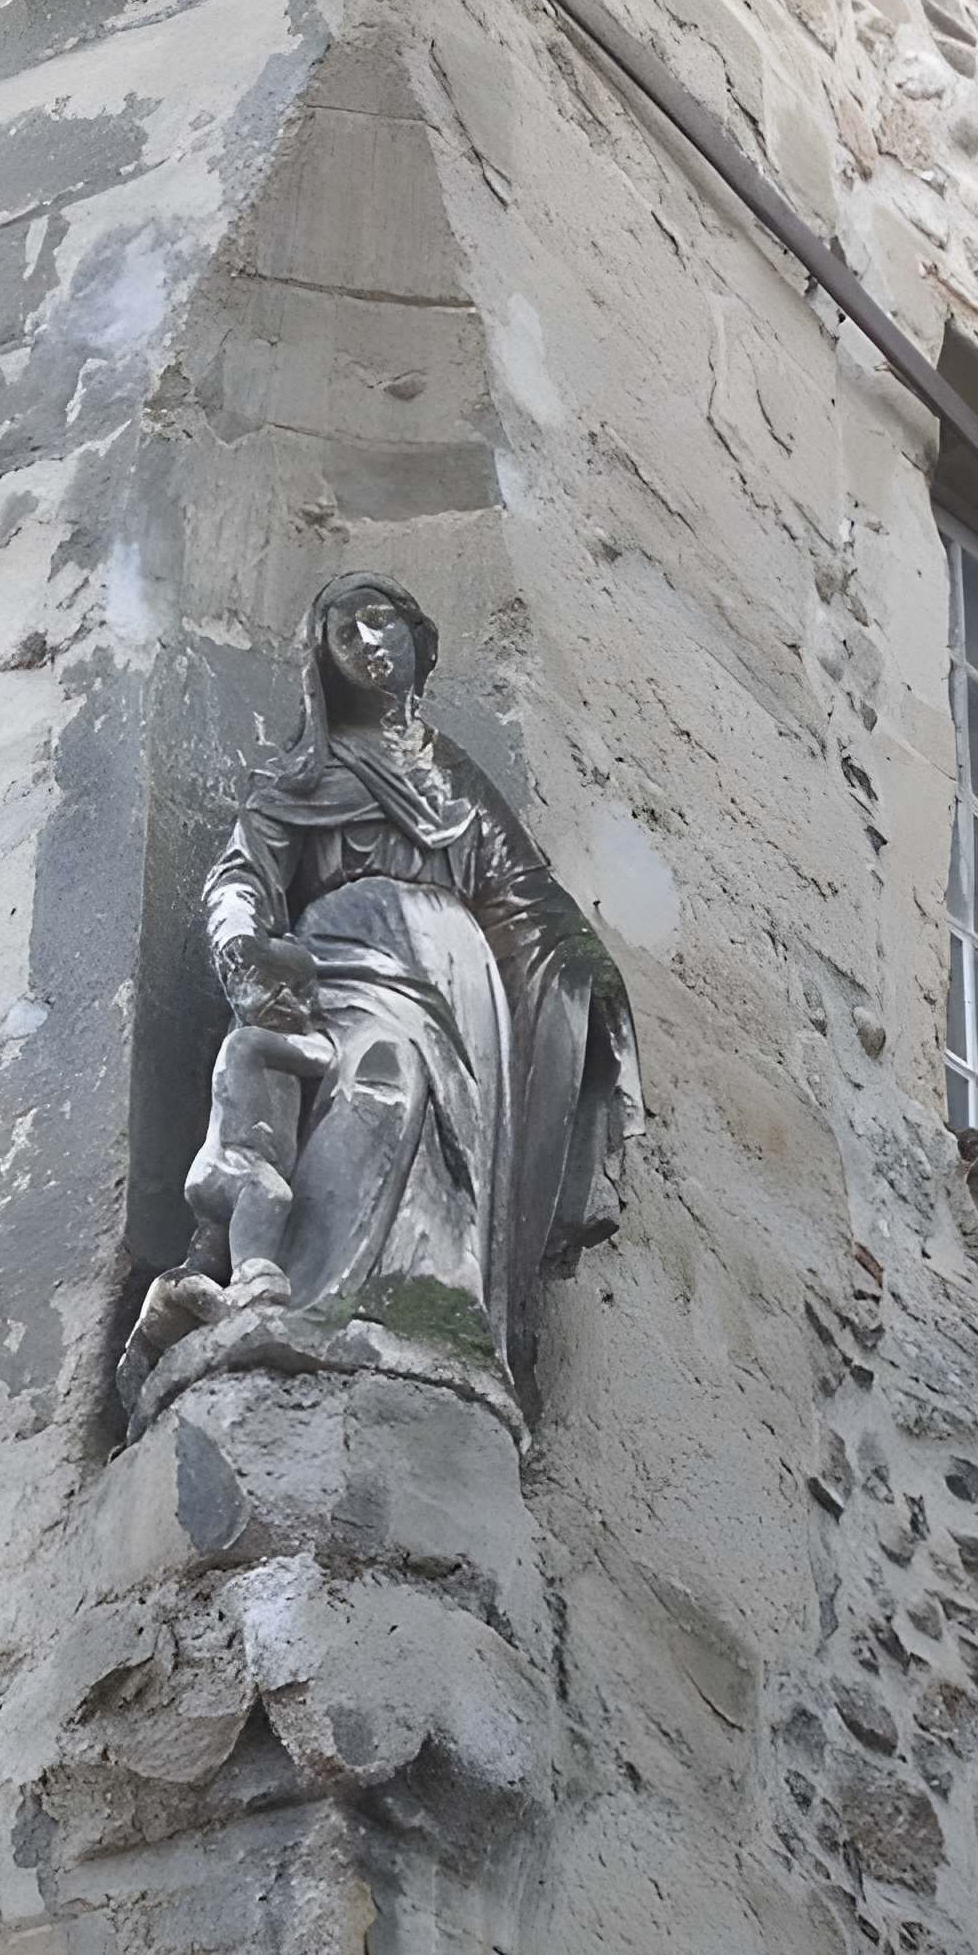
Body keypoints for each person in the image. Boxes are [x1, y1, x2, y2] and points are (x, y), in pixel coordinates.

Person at [119, 571, 643, 1411]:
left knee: (454, 1148)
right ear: (322, 663)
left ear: (416, 636)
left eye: (380, 620)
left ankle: (431, 1301)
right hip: (350, 961)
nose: (367, 642)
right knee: (376, 1087)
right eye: (345, 633)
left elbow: (521, 894)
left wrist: (583, 964)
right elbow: (241, 877)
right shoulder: (307, 772)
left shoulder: (456, 779)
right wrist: (244, 949)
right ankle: (314, 1294)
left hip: (463, 985)